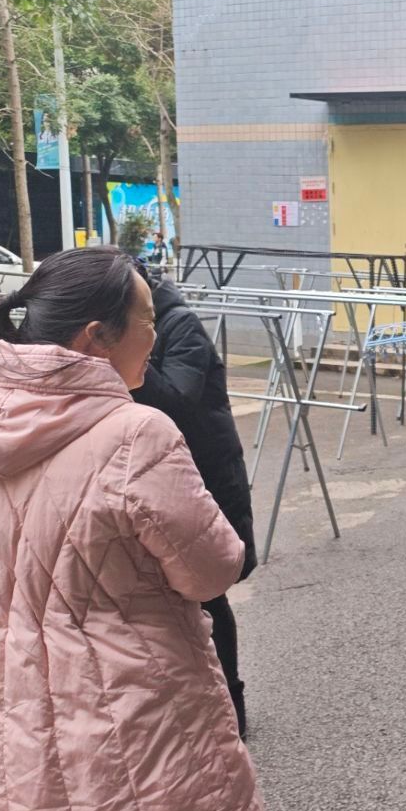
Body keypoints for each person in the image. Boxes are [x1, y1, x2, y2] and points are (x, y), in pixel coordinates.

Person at [0, 247, 278, 811]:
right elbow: (210, 569)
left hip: (14, 693)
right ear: (97, 337)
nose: (156, 335)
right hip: (134, 700)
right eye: (147, 322)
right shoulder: (135, 433)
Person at [134, 269, 258, 737]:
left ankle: (232, 704)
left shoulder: (178, 323)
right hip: (156, 472)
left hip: (203, 473)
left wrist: (129, 354)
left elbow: (176, 402)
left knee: (208, 592)